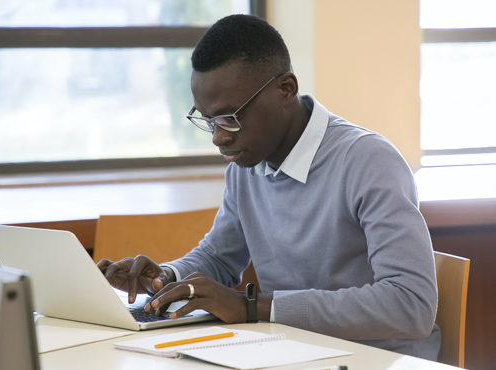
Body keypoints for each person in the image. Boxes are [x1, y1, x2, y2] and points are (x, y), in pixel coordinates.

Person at [98, 14, 441, 360]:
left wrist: (254, 306)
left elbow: (410, 304)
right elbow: (219, 257)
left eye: (230, 117)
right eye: (207, 120)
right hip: (292, 352)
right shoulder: (247, 160)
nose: (218, 137)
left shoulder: (368, 161)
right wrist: (165, 278)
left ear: (285, 89)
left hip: (377, 359)